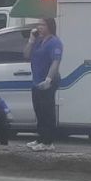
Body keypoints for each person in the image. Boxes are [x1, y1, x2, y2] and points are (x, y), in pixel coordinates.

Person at [22, 17, 63, 151]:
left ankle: (48, 142)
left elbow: (55, 62)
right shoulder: (38, 41)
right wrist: (31, 40)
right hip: (36, 81)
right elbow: (26, 55)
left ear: (50, 26)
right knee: (39, 111)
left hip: (48, 81)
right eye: (38, 24)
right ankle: (40, 138)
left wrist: (49, 79)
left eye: (42, 24)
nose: (39, 27)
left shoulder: (54, 42)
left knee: (47, 111)